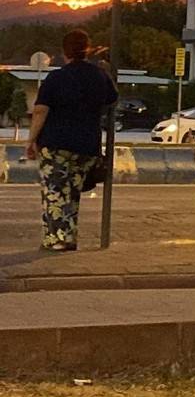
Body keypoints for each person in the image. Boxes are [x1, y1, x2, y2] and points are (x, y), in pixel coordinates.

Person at [26, 29, 118, 252]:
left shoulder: (57, 77)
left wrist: (30, 140)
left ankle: (57, 240)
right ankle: (69, 237)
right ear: (87, 49)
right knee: (73, 193)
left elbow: (40, 110)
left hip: (57, 144)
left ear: (64, 51)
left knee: (55, 192)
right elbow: (112, 99)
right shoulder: (99, 76)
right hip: (87, 145)